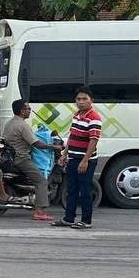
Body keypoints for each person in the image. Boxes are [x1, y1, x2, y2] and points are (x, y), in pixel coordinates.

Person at [0, 98, 59, 222]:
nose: (30, 111)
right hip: (21, 159)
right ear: (22, 111)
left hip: (11, 157)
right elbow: (36, 143)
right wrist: (53, 147)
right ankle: (39, 212)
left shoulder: (10, 123)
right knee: (41, 181)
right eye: (28, 109)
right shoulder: (22, 125)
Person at [52, 87, 102, 229]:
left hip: (86, 161)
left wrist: (85, 160)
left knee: (84, 190)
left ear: (91, 100)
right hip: (73, 158)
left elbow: (93, 140)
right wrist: (64, 154)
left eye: (84, 99)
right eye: (78, 99)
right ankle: (69, 218)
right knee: (71, 189)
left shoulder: (94, 117)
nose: (81, 102)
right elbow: (72, 137)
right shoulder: (76, 115)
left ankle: (86, 221)